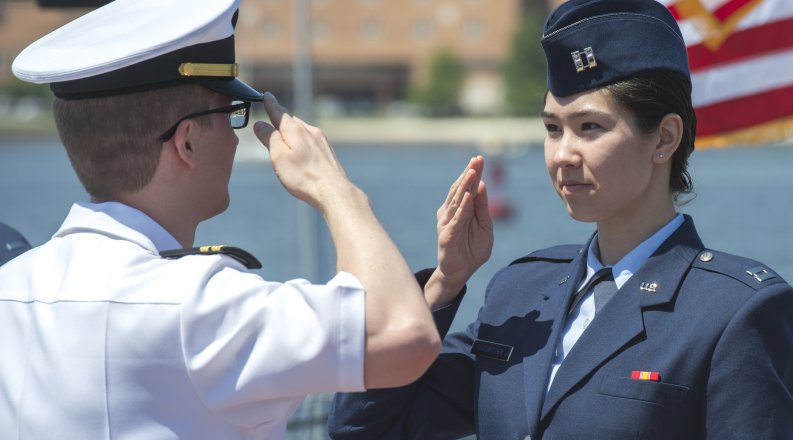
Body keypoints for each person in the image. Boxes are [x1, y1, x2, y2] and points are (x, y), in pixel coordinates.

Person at [328, 0, 793, 438]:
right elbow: (361, 427)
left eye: (590, 127)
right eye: (553, 129)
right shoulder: (521, 294)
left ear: (664, 139)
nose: (562, 155)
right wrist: (443, 287)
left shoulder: (734, 311)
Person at [0, 0, 443, 438]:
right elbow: (403, 335)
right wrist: (333, 187)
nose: (236, 141)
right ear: (187, 143)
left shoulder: (12, 287)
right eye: (231, 116)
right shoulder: (196, 309)